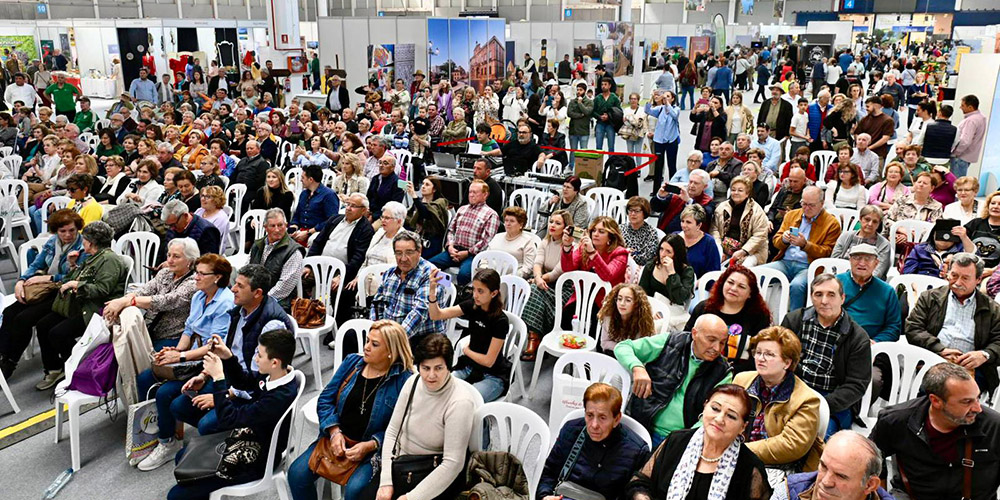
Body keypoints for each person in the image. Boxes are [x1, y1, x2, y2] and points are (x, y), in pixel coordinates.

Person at [164, 328, 299, 500]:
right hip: (250, 437)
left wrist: (219, 378)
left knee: (176, 495)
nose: (256, 358)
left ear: (274, 362)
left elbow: (229, 419)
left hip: (257, 459)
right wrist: (227, 357)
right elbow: (244, 380)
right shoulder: (278, 375)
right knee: (182, 458)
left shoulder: (278, 398)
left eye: (260, 354)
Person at [287, 320, 414, 500]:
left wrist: (372, 444)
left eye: (374, 344)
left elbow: (404, 427)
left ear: (390, 353)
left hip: (372, 450)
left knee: (355, 490)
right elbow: (325, 399)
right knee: (296, 474)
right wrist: (334, 431)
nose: (366, 347)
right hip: (337, 439)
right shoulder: (352, 362)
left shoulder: (404, 380)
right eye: (368, 340)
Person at [129, 253, 233, 464]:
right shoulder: (198, 296)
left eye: (202, 274)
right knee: (145, 378)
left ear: (218, 277)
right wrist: (174, 352)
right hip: (195, 356)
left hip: (213, 362)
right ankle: (150, 432)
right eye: (196, 273)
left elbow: (215, 346)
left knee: (166, 393)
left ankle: (168, 441)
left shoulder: (225, 302)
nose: (196, 277)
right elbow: (189, 330)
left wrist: (181, 356)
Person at [869, 362, 1000, 500]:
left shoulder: (994, 426)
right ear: (936, 401)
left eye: (978, 398)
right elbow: (869, 461)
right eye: (966, 402)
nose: (977, 408)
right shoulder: (895, 420)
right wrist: (880, 494)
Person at [624, 384, 771, 500]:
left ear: (742, 427)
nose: (719, 419)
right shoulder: (676, 441)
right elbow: (640, 481)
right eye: (715, 408)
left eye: (731, 416)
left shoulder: (750, 467)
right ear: (705, 406)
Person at [376, 334, 477, 500]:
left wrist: (412, 497)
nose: (431, 375)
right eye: (425, 368)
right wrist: (386, 481)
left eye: (438, 368)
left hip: (432, 472)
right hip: (401, 465)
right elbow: (393, 431)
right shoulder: (413, 382)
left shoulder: (460, 402)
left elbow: (453, 464)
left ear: (449, 368)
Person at [32, 222, 128, 390]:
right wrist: (72, 265)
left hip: (95, 310)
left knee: (57, 333)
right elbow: (74, 277)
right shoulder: (92, 257)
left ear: (91, 242)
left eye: (84, 239)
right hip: (80, 304)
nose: (82, 242)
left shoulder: (109, 260)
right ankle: (54, 369)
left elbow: (102, 289)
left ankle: (77, 367)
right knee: (42, 325)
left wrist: (76, 285)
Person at [614, 314, 733, 446]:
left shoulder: (723, 373)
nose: (717, 348)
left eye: (722, 343)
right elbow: (623, 347)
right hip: (641, 424)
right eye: (711, 340)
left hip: (676, 441)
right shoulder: (670, 342)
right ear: (694, 333)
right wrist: (637, 367)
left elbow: (714, 414)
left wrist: (685, 439)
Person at [780, 273, 872, 437]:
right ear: (811, 297)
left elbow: (856, 385)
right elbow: (780, 360)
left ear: (842, 298)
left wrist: (820, 404)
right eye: (818, 294)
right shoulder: (794, 320)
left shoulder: (857, 337)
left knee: (815, 438)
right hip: (793, 389)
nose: (824, 301)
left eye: (831, 295)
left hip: (833, 400)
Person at [0, 210, 85, 377]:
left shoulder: (82, 247)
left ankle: (10, 363)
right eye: (63, 231)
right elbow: (36, 264)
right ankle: (3, 356)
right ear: (56, 231)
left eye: (72, 230)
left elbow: (76, 277)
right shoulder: (53, 241)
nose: (68, 235)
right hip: (44, 287)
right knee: (9, 312)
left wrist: (50, 277)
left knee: (23, 319)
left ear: (77, 229)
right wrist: (21, 281)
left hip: (63, 291)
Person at [732, 326, 824, 472]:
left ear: (787, 363)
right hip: (734, 457)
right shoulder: (742, 380)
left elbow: (790, 445)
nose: (760, 359)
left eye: (769, 354)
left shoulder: (806, 400)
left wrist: (739, 451)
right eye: (758, 352)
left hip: (778, 467)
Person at [905, 252, 1000, 394]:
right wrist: (939, 349)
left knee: (957, 394)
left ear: (978, 279)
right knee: (934, 390)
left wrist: (984, 355)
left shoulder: (992, 309)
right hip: (933, 358)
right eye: (954, 275)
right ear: (947, 273)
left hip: (972, 367)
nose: (957, 282)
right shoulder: (930, 298)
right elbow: (913, 328)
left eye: (965, 278)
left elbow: (998, 340)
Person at [538, 383, 651, 500]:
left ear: (616, 419)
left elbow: (633, 490)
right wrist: (544, 496)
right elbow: (549, 472)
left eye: (602, 417)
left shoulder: (636, 451)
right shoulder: (571, 430)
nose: (594, 425)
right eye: (590, 415)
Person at [428, 268, 510, 402]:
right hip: (469, 367)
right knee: (439, 388)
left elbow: (489, 361)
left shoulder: (500, 321)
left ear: (494, 293)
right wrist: (432, 293)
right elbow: (436, 315)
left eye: (480, 291)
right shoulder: (472, 306)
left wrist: (466, 350)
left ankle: (484, 423)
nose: (475, 295)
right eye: (474, 289)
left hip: (493, 375)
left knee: (466, 400)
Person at [760, 186, 841, 310]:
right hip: (785, 262)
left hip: (809, 266)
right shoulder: (792, 215)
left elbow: (827, 253)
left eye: (811, 205)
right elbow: (776, 242)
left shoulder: (832, 223)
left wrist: (805, 245)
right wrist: (784, 239)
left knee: (797, 286)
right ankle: (758, 315)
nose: (806, 208)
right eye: (803, 204)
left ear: (822, 204)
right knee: (756, 275)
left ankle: (794, 321)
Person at [370, 230, 446, 342]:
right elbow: (377, 305)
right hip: (389, 333)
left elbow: (419, 314)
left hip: (422, 338)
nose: (403, 258)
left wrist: (393, 340)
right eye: (399, 253)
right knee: (351, 337)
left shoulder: (432, 275)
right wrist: (375, 330)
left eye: (409, 252)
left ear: (419, 251)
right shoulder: (390, 273)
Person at [560, 216, 630, 332]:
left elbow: (607, 276)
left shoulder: (620, 253)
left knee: (592, 325)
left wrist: (593, 253)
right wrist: (567, 247)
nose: (595, 234)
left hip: (605, 301)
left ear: (611, 237)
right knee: (566, 316)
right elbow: (568, 269)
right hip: (582, 296)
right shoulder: (584, 248)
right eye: (593, 230)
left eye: (601, 232)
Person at [778, 431, 891, 500]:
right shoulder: (788, 491)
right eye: (823, 466)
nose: (826, 482)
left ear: (869, 485)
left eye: (840, 476)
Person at [427, 180, 499, 286]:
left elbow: (486, 240)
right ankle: (444, 287)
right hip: (454, 250)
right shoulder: (462, 209)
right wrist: (450, 246)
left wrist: (468, 253)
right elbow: (451, 230)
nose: (471, 195)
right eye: (470, 192)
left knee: (464, 275)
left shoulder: (491, 214)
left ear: (485, 194)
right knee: (429, 265)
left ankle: (459, 294)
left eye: (475, 192)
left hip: (473, 255)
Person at [520, 209, 570, 361]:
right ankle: (535, 337)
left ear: (566, 227)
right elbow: (537, 263)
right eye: (551, 222)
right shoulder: (545, 242)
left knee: (534, 289)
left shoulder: (569, 246)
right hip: (545, 282)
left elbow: (557, 272)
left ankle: (533, 339)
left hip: (563, 287)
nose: (552, 225)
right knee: (534, 290)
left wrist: (538, 280)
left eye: (558, 223)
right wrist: (537, 277)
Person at [711, 176, 768, 267]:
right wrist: (719, 249)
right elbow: (714, 229)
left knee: (743, 268)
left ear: (747, 193)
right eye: (733, 190)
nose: (736, 193)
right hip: (725, 248)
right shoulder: (721, 207)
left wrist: (744, 251)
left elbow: (760, 235)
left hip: (752, 251)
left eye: (740, 190)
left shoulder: (757, 211)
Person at [831, 205, 892, 279]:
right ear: (860, 219)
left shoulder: (884, 244)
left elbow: (877, 272)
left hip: (869, 284)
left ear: (879, 224)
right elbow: (833, 262)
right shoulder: (845, 237)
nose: (870, 224)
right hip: (841, 279)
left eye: (875, 222)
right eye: (867, 219)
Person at [884, 171, 943, 245]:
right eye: (919, 182)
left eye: (925, 183)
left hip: (922, 243)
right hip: (898, 237)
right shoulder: (902, 200)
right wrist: (901, 230)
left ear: (932, 188)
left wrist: (910, 235)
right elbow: (887, 219)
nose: (921, 185)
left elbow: (935, 228)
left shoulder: (936, 206)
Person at [652, 169, 716, 234]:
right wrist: (660, 196)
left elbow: (705, 216)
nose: (692, 186)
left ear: (705, 187)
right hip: (666, 235)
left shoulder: (708, 202)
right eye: (690, 182)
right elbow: (656, 208)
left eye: (696, 183)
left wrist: (689, 201)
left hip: (690, 238)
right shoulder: (676, 196)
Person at [289, 165, 339, 245]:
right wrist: (294, 227)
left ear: (311, 179)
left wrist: (309, 232)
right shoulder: (304, 193)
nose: (301, 180)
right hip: (300, 230)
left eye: (303, 178)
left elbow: (332, 220)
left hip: (317, 233)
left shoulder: (329, 195)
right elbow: (297, 214)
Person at [486, 206, 539, 279]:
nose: (508, 223)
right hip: (489, 277)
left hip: (512, 280)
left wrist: (510, 278)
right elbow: (485, 257)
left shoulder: (527, 241)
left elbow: (528, 268)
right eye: (506, 220)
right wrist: (484, 270)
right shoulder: (497, 237)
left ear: (521, 225)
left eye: (512, 221)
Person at [645, 89, 682, 191]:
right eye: (664, 96)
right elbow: (648, 111)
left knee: (672, 165)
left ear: (673, 99)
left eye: (668, 96)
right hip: (659, 141)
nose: (665, 98)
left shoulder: (676, 109)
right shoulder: (659, 109)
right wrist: (652, 97)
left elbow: (674, 115)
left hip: (671, 140)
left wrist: (667, 104)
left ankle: (673, 188)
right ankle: (656, 189)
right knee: (658, 166)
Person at [951, 94, 986, 177]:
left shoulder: (971, 121)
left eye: (963, 105)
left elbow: (965, 141)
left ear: (970, 107)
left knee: (956, 184)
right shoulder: (981, 117)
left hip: (961, 157)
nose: (960, 107)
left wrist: (956, 153)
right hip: (967, 156)